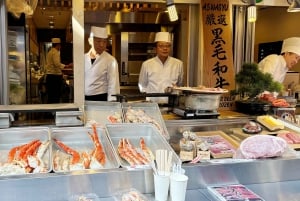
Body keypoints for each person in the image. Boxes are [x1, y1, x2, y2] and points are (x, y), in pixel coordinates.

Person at [138, 32, 184, 103]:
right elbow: (142, 85)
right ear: (155, 48)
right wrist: (148, 97)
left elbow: (180, 84)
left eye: (168, 46)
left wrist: (176, 89)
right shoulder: (146, 64)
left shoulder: (178, 64)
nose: (165, 48)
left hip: (171, 104)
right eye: (161, 46)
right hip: (152, 104)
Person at [84, 26, 120, 101]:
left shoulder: (111, 60)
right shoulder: (83, 58)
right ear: (90, 41)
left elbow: (113, 83)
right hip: (83, 98)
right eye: (98, 41)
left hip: (101, 98)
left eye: (104, 42)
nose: (102, 45)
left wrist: (112, 103)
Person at [45, 38, 72, 103]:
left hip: (50, 77)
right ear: (58, 45)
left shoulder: (50, 52)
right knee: (55, 96)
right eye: (60, 45)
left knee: (51, 96)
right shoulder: (55, 52)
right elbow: (57, 64)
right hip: (54, 77)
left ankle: (50, 111)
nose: (60, 47)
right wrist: (67, 66)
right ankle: (54, 112)